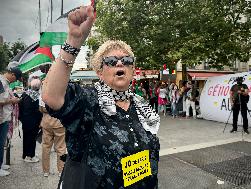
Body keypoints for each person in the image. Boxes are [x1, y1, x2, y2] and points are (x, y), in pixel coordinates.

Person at [42, 5, 160, 189]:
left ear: (132, 70)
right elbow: (52, 97)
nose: (120, 63)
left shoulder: (141, 105)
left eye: (126, 60)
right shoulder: (89, 100)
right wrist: (73, 41)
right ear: (100, 72)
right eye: (112, 61)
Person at [0, 67, 22, 176]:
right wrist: (12, 100)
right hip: (2, 117)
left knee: (2, 142)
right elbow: (1, 100)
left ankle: (1, 164)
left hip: (4, 117)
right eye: (16, 78)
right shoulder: (1, 82)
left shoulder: (5, 82)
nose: (16, 81)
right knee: (0, 142)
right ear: (12, 74)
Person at [39, 94, 66, 177]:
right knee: (61, 148)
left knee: (46, 147)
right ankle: (61, 170)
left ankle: (46, 171)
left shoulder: (43, 93)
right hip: (59, 122)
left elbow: (41, 109)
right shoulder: (62, 92)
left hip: (46, 122)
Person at [18, 79, 42, 163]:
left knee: (26, 138)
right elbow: (38, 111)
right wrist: (40, 121)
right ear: (38, 87)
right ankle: (30, 156)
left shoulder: (25, 94)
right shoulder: (37, 96)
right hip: (33, 121)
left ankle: (26, 155)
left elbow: (20, 106)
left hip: (25, 120)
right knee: (31, 138)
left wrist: (21, 118)